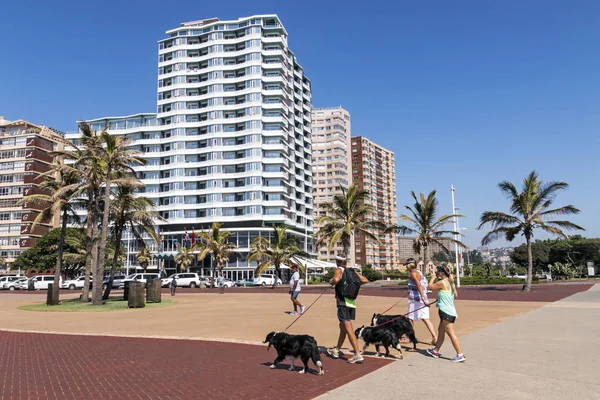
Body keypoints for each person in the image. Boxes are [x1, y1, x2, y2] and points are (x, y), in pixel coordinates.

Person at [327, 255, 369, 364]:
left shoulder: (339, 270)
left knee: (348, 327)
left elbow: (336, 279)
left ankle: (357, 354)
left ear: (337, 261)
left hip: (342, 302)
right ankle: (336, 349)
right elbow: (365, 280)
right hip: (351, 302)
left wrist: (331, 281)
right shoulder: (351, 271)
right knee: (343, 327)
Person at [427, 265, 466, 363]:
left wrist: (433, 277)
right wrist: (441, 298)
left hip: (446, 312)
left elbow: (429, 287)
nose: (437, 273)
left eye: (438, 271)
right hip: (447, 311)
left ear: (443, 273)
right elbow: (454, 295)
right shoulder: (449, 283)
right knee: (440, 331)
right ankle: (435, 351)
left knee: (451, 334)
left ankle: (460, 354)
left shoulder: (442, 282)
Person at [405, 258, 437, 345]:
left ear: (408, 266)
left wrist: (422, 297)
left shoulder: (413, 273)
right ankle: (434, 337)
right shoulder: (419, 272)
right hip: (422, 298)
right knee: (425, 318)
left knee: (410, 318)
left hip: (415, 299)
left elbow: (419, 285)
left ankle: (410, 337)